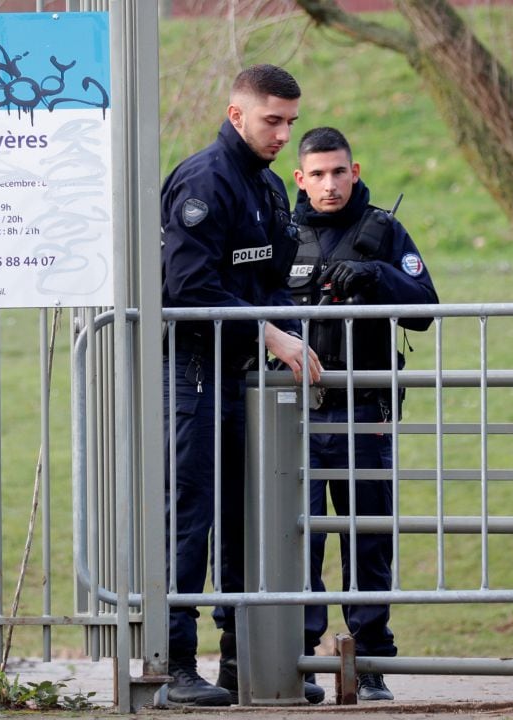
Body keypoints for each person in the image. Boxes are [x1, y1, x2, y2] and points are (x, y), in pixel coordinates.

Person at [160, 64, 323, 707]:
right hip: (197, 374)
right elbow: (188, 288)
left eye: (290, 122)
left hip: (244, 378)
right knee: (190, 517)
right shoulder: (205, 181)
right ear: (237, 115)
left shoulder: (269, 186)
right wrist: (271, 335)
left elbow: (274, 279)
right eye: (272, 121)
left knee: (243, 522)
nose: (284, 134)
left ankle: (239, 662)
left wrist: (286, 330)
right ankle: (175, 665)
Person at [287, 126, 438, 701]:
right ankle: (300, 660)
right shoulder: (280, 232)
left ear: (355, 170)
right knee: (298, 540)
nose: (330, 185)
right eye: (318, 174)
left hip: (363, 415)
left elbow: (425, 310)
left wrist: (378, 277)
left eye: (339, 172)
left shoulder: (383, 229)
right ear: (301, 179)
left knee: (367, 539)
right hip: (292, 419)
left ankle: (369, 659)